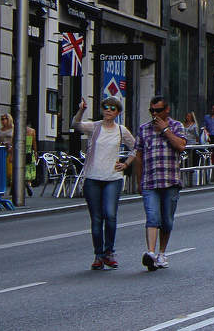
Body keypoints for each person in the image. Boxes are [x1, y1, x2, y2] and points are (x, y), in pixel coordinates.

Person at [123, 96, 187, 270]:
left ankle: (161, 253)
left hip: (171, 180)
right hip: (150, 181)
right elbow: (139, 155)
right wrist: (139, 181)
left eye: (158, 110)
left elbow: (181, 146)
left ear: (167, 110)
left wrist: (165, 130)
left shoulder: (176, 126)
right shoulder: (144, 129)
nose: (154, 114)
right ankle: (150, 253)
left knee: (166, 220)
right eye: (152, 110)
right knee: (152, 217)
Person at [74, 96, 136, 269]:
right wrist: (81, 110)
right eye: (106, 107)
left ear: (118, 112)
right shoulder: (94, 127)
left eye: (113, 108)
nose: (108, 110)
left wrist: (126, 163)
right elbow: (76, 125)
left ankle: (109, 251)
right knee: (96, 218)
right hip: (93, 178)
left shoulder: (122, 130)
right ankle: (98, 255)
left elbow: (137, 147)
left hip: (112, 179)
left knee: (110, 215)